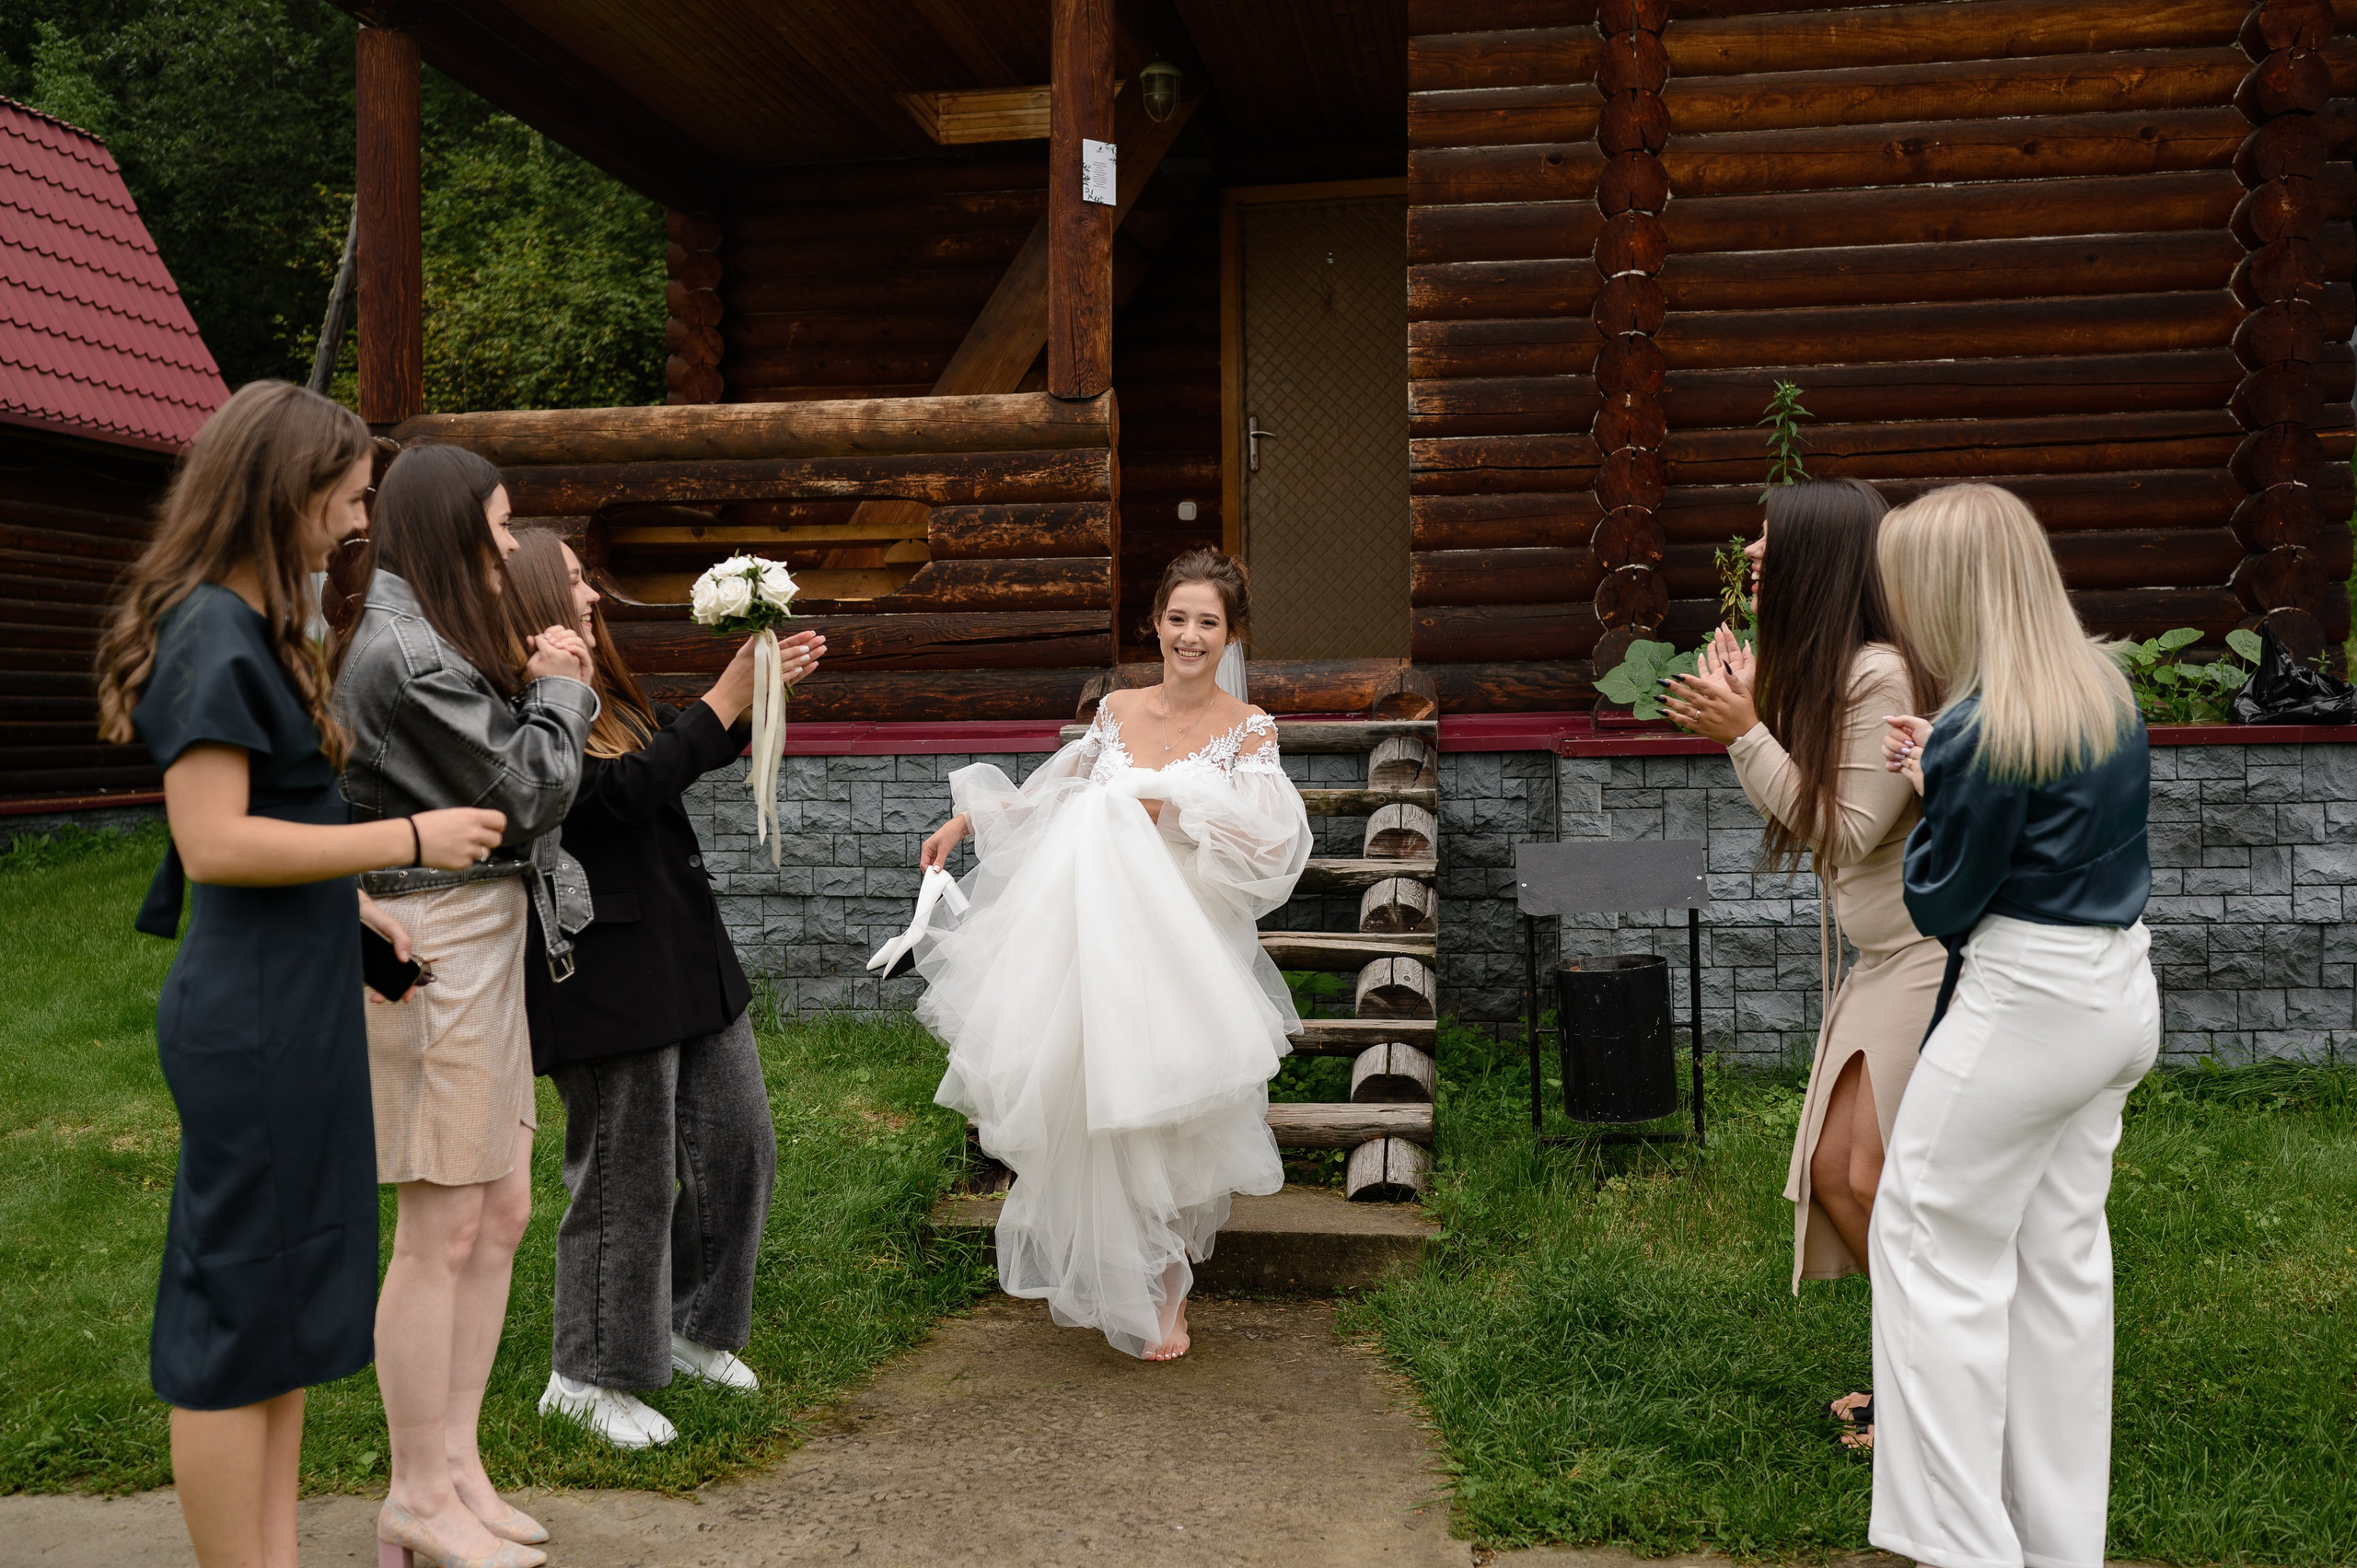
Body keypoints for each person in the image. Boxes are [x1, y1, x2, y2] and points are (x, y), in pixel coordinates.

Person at [92, 382, 506, 1568]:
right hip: (252, 1019)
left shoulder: (253, 623)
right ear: (293, 485)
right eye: (351, 492)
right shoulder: (210, 627)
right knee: (237, 1322)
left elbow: (265, 828)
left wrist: (355, 905)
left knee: (273, 1320)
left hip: (299, 999)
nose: (361, 516)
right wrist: (406, 842)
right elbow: (214, 839)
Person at [911, 550, 1311, 1361]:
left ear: (1230, 635)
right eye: (1177, 618)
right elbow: (1057, 792)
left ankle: (1169, 1288)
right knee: (1095, 1092)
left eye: (1208, 622)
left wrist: (1180, 806)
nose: (1189, 635)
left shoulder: (1249, 727)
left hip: (1180, 935)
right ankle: (1119, 1268)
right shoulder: (1118, 707)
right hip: (1089, 929)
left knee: (1164, 1105)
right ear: (1155, 623)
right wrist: (970, 822)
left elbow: (1270, 842)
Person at [1870, 482, 2158, 1568]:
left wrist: (1933, 782)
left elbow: (1941, 901)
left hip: (2027, 1001)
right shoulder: (2099, 689)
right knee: (2059, 1265)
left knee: (1926, 1243)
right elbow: (2050, 825)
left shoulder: (1982, 732)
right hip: (2118, 994)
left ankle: (1962, 1546)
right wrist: (1935, 760)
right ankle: (2054, 1545)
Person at [498, 530, 823, 1448]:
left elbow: (659, 768)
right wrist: (717, 699)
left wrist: (751, 689)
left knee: (737, 1142)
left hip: (684, 957)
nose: (593, 596)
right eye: (572, 585)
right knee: (626, 1179)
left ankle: (690, 1325)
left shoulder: (604, 696)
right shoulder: (520, 709)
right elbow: (610, 796)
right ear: (530, 604)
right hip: (602, 974)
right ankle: (584, 1371)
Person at [332, 445, 598, 1568]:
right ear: (450, 530)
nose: (509, 548)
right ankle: (412, 1494)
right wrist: (560, 690)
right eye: (496, 527)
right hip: (428, 945)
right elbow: (530, 790)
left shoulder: (427, 633)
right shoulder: (400, 652)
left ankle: (458, 1468)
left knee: (497, 1213)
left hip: (480, 940)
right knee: (439, 1229)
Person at [1661, 477, 1944, 1448]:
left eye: (1769, 539)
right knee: (1833, 1172)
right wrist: (1752, 706)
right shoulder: (1840, 666)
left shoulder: (1880, 672)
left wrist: (1741, 732)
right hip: (1880, 956)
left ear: (1821, 554)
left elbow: (1851, 826)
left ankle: (1934, 1389)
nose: (1749, 552)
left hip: (1919, 953)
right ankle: (1921, 1368)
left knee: (1867, 1178)